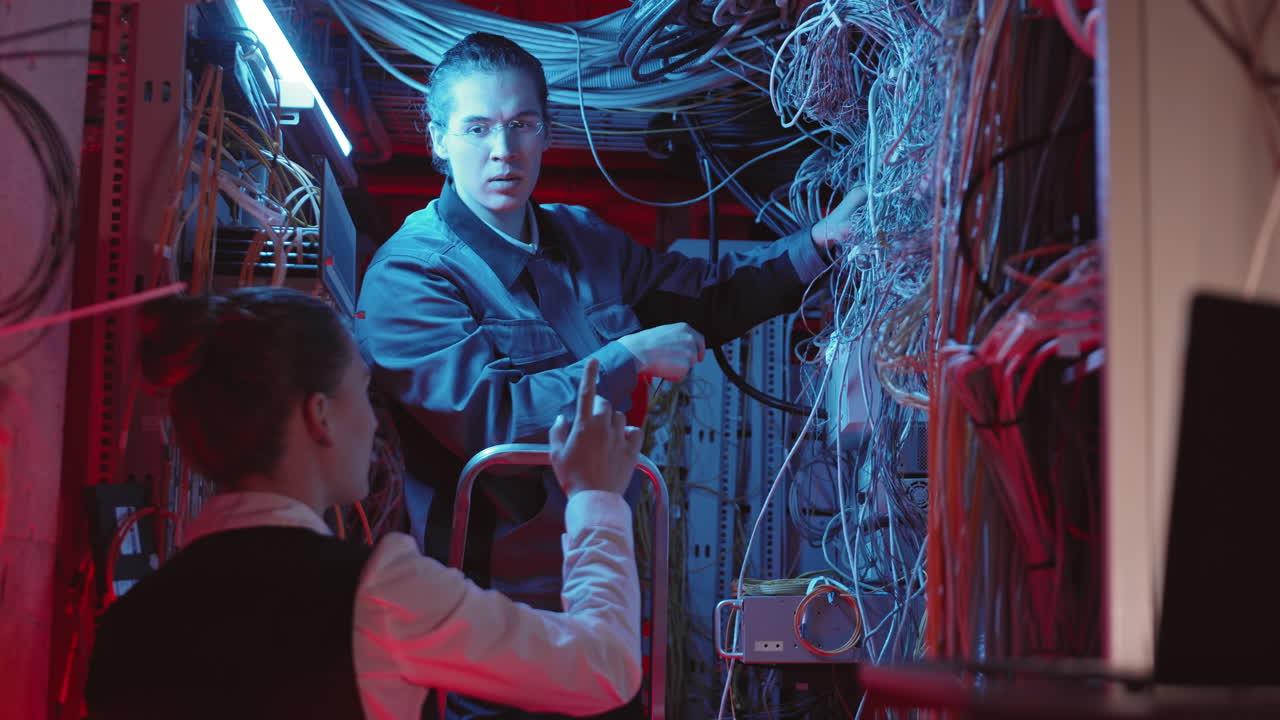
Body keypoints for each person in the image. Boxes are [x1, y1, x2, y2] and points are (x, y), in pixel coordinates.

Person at [354, 30, 865, 720]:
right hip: (492, 628)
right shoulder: (412, 275)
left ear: (546, 131)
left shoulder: (580, 237)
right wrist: (627, 357)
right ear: (438, 139)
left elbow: (704, 296)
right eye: (477, 129)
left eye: (521, 125)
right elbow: (493, 418)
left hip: (606, 594)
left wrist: (820, 244)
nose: (503, 152)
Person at [85, 287, 644, 720]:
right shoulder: (379, 593)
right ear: (319, 415)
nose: (375, 421)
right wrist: (595, 499)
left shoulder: (126, 625)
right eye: (362, 391)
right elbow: (603, 668)